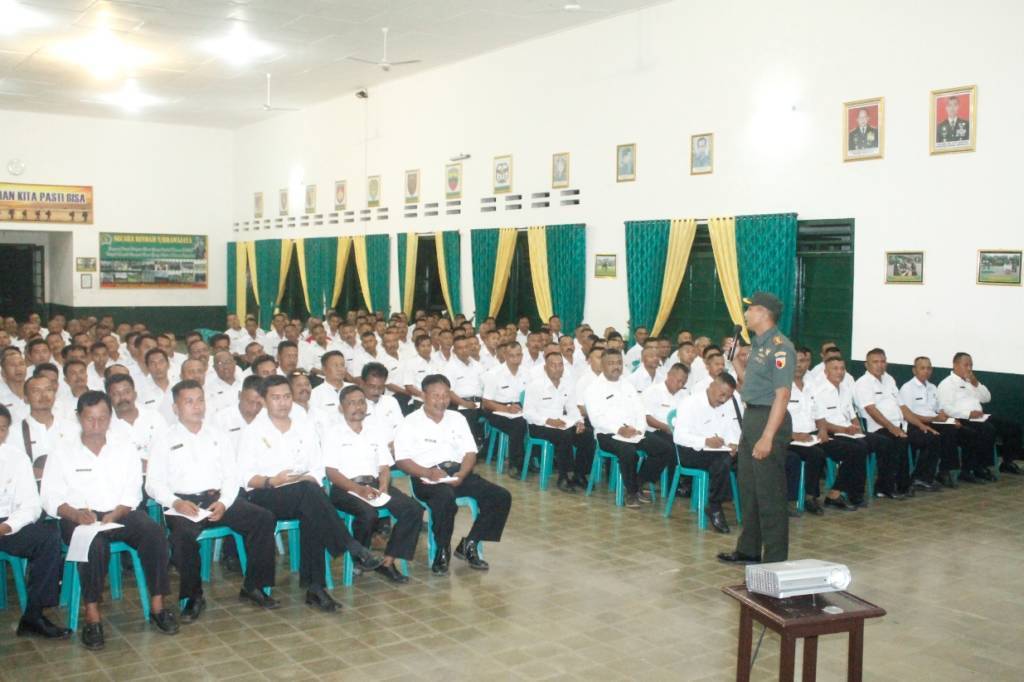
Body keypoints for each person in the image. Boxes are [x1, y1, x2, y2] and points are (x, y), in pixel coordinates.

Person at [40, 391, 178, 650]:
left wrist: (116, 513)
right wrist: (75, 514)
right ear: (78, 417)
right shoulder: (62, 451)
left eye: (102, 418)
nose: (96, 425)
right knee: (94, 545)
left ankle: (158, 605)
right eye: (90, 419)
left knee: (154, 532)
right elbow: (49, 496)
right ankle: (92, 615)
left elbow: (133, 490)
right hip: (79, 517)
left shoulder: (123, 447)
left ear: (110, 418)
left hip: (118, 513)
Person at [236, 375, 382, 613]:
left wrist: (307, 479)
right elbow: (244, 477)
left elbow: (317, 466)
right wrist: (273, 480)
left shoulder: (302, 425)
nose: (283, 403)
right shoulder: (252, 432)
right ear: (263, 400)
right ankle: (350, 548)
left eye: (286, 397)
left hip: (303, 492)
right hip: (265, 494)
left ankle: (316, 587)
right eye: (276, 398)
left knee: (311, 506)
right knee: (311, 498)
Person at [146, 380, 278, 617]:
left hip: (217, 499)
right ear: (176, 408)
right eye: (189, 402)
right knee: (182, 536)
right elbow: (153, 483)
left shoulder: (218, 435)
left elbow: (231, 475)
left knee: (263, 518)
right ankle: (192, 596)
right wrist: (175, 502)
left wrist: (225, 502)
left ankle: (254, 586)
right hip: (183, 503)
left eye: (200, 400)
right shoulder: (163, 439)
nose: (197, 406)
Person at [395, 374, 512, 576]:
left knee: (500, 496)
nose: (441, 400)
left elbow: (469, 452)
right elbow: (402, 460)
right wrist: (428, 472)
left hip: (457, 472)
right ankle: (442, 549)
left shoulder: (457, 418)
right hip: (426, 477)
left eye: (445, 395)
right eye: (435, 395)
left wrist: (461, 474)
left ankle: (470, 543)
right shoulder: (410, 422)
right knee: (445, 498)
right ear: (423, 395)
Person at [718, 293, 794, 566]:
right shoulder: (761, 345)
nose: (746, 314)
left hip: (768, 420)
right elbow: (750, 383)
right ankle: (748, 548)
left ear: (763, 313)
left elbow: (782, 395)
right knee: (749, 488)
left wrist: (768, 437)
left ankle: (775, 559)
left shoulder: (781, 348)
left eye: (750, 310)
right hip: (753, 417)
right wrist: (735, 359)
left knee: (770, 493)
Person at [323, 385, 422, 584]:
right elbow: (332, 473)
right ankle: (360, 558)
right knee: (368, 513)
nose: (358, 407)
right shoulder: (332, 433)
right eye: (351, 403)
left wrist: (384, 486)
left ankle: (388, 561)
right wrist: (359, 490)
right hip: (345, 488)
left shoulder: (375, 430)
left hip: (375, 485)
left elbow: (384, 466)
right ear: (341, 408)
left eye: (361, 402)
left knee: (413, 509)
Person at [0, 405, 72, 640]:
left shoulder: (15, 458)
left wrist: (8, 526)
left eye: (1, 429)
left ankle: (34, 615)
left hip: (7, 523)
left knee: (47, 538)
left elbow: (31, 505)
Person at [583, 349, 674, 508]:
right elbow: (596, 419)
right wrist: (619, 429)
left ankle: (638, 482)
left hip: (634, 432)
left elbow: (640, 410)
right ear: (603, 366)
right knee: (628, 452)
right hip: (608, 434)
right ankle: (631, 493)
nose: (616, 366)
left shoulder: (627, 384)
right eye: (611, 363)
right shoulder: (593, 389)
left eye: (619, 362)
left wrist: (639, 428)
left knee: (665, 449)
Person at [854, 348, 941, 494]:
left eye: (883, 361)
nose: (880, 365)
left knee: (932, 437)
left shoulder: (889, 379)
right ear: (866, 364)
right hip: (877, 428)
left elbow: (903, 407)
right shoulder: (863, 383)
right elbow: (871, 410)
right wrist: (891, 427)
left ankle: (920, 479)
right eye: (875, 362)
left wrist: (921, 425)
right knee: (898, 441)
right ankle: (886, 487)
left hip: (900, 425)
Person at [673, 374, 743, 533]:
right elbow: (679, 437)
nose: (724, 399)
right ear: (712, 386)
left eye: (729, 396)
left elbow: (732, 430)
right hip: (691, 450)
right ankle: (715, 506)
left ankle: (749, 506)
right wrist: (705, 441)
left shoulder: (727, 404)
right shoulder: (690, 403)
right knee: (722, 461)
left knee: (746, 459)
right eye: (722, 394)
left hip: (718, 450)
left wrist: (733, 444)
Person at [937, 352, 1023, 479]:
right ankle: (979, 467)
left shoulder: (970, 381)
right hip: (963, 417)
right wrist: (968, 414)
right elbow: (945, 408)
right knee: (987, 430)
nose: (969, 368)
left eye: (971, 365)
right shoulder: (946, 384)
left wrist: (975, 383)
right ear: (955, 365)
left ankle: (1007, 462)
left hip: (980, 416)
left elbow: (986, 398)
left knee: (1013, 427)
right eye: (966, 365)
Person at [523, 349, 593, 492]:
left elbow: (573, 408)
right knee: (564, 436)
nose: (557, 368)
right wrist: (547, 420)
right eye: (553, 365)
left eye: (560, 365)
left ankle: (580, 473)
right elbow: (528, 412)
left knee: (587, 434)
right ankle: (564, 476)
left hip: (561, 423)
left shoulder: (567, 384)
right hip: (539, 425)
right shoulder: (535, 386)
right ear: (545, 367)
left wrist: (579, 421)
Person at [898, 356, 963, 488]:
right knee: (932, 438)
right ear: (914, 370)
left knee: (952, 429)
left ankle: (945, 471)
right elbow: (908, 414)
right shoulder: (907, 388)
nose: (926, 371)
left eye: (929, 368)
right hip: (913, 425)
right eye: (922, 368)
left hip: (933, 421)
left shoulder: (933, 387)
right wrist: (933, 419)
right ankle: (920, 477)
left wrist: (950, 419)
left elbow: (938, 411)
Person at [813, 357, 869, 509]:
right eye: (835, 368)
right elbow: (820, 422)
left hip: (848, 432)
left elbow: (852, 415)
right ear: (826, 372)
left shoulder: (845, 389)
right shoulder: (819, 391)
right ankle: (836, 493)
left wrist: (856, 427)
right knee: (857, 450)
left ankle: (854, 493)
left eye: (842, 368)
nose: (839, 372)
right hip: (828, 434)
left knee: (869, 444)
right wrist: (844, 430)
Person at [785, 348, 829, 514]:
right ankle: (808, 497)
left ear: (808, 363)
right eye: (794, 360)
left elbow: (820, 414)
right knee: (812, 455)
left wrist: (823, 430)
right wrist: (793, 435)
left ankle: (836, 493)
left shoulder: (812, 386)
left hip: (811, 437)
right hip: (788, 438)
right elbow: (771, 418)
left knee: (842, 447)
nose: (798, 365)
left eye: (803, 361)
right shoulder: (780, 387)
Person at [481, 341, 530, 476]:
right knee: (518, 425)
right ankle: (515, 464)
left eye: (518, 355)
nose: (515, 359)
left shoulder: (527, 372)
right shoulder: (494, 373)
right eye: (511, 356)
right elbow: (486, 402)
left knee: (534, 422)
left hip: (520, 408)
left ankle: (530, 459)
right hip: (497, 410)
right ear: (505, 355)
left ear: (522, 355)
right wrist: (506, 409)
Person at [442, 336, 485, 444]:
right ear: (454, 351)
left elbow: (485, 386)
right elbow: (448, 392)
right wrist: (464, 403)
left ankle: (486, 447)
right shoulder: (449, 367)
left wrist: (485, 401)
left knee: (497, 413)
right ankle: (470, 448)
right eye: (460, 348)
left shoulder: (478, 365)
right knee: (469, 412)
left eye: (466, 347)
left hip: (479, 401)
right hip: (459, 402)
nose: (464, 350)